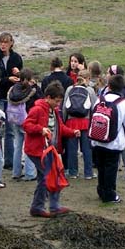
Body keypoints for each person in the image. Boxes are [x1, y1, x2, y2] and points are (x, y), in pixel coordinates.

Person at [22, 81, 78, 218]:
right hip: (36, 150)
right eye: (56, 101)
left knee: (47, 177)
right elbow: (26, 125)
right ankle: (49, 206)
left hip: (48, 149)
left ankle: (40, 206)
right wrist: (40, 129)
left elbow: (60, 128)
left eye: (60, 101)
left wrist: (72, 132)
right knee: (50, 176)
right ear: (48, 97)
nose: (58, 104)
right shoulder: (37, 110)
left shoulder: (55, 111)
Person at [91, 74, 125, 203]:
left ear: (109, 86)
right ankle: (109, 194)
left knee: (101, 167)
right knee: (111, 168)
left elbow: (93, 117)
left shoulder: (100, 100)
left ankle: (101, 190)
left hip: (97, 140)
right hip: (114, 143)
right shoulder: (123, 103)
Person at [0, 32, 23, 170]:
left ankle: (9, 161)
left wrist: (18, 74)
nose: (3, 44)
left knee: (10, 130)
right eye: (1, 42)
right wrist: (8, 79)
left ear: (11, 43)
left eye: (6, 42)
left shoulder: (16, 58)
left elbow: (22, 79)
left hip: (11, 98)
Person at [6, 67, 40, 181]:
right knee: (29, 146)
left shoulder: (13, 89)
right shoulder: (32, 90)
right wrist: (35, 86)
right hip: (27, 119)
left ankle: (16, 172)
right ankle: (30, 173)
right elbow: (40, 99)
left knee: (18, 146)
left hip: (15, 119)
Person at [61, 74, 97, 179]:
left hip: (71, 122)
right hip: (86, 122)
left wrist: (64, 121)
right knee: (87, 149)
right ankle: (88, 173)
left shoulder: (69, 89)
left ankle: (73, 172)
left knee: (72, 149)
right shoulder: (90, 90)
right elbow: (94, 107)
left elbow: (64, 107)